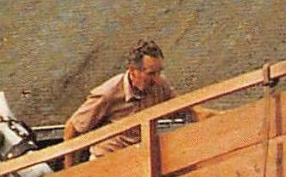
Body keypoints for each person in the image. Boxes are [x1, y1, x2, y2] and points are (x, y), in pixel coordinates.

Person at [62, 39, 212, 165]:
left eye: (160, 72)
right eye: (151, 74)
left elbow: (188, 110)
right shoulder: (108, 93)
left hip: (142, 159)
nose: (157, 79)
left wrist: (225, 118)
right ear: (134, 71)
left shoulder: (159, 85)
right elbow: (72, 128)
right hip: (109, 163)